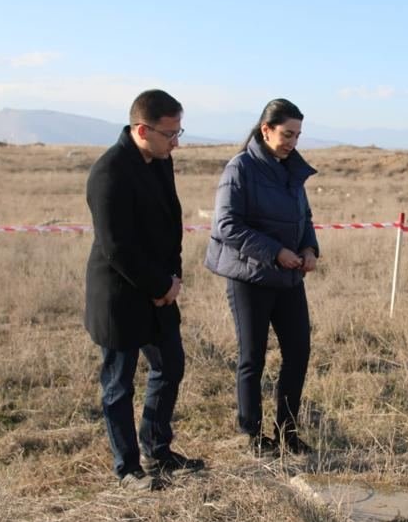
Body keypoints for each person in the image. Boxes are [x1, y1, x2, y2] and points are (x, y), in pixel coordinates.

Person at [84, 89, 204, 490]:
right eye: (170, 134)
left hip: (161, 291)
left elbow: (172, 225)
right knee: (118, 386)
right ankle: (128, 468)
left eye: (179, 132)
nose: (176, 142)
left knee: (170, 366)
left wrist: (172, 282)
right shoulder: (109, 172)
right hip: (119, 296)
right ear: (141, 130)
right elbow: (117, 248)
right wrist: (159, 285)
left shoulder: (161, 162)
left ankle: (157, 448)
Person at [204, 98, 319, 457]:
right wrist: (275, 252)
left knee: (298, 351)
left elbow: (304, 218)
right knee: (252, 356)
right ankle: (252, 435)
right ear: (266, 130)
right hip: (249, 277)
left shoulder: (292, 170)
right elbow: (226, 225)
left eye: (298, 135)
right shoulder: (239, 168)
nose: (292, 142)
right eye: (287, 134)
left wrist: (309, 249)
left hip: (288, 278)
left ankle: (288, 432)